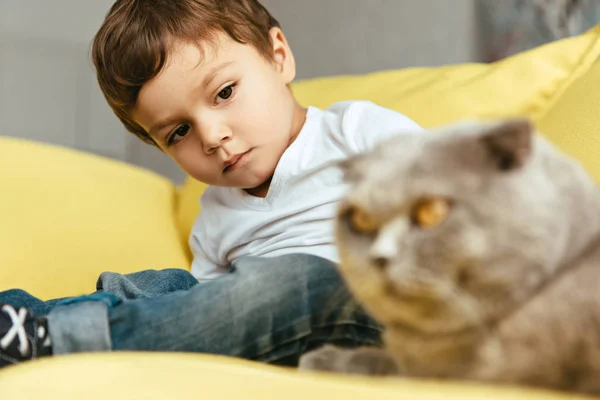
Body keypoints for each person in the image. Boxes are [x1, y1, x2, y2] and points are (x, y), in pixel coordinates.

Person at [0, 0, 422, 368]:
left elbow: (446, 208)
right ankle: (25, 325)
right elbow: (208, 315)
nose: (211, 136)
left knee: (302, 280)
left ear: (278, 57)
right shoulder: (216, 214)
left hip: (377, 317)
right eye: (179, 132)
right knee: (162, 287)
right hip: (274, 342)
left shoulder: (355, 131)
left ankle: (65, 340)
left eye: (224, 93)